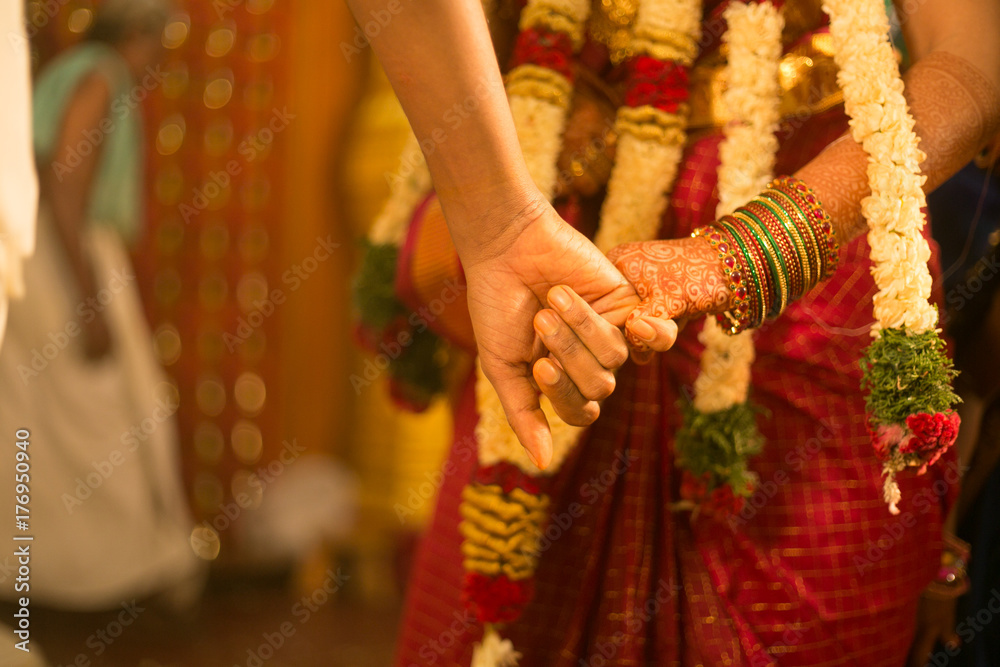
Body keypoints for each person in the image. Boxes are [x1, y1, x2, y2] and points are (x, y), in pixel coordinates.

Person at [346, 0, 1000, 664]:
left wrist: (747, 254)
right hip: (553, 230)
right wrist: (494, 214)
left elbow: (976, 52)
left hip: (813, 253)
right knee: (486, 620)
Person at [0, 0, 202, 611]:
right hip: (66, 256)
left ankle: (41, 574)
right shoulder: (101, 74)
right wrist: (88, 298)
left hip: (39, 252)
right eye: (161, 43)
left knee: (45, 418)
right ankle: (107, 576)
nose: (161, 60)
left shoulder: (71, 68)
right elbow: (66, 174)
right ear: (140, 33)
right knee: (109, 406)